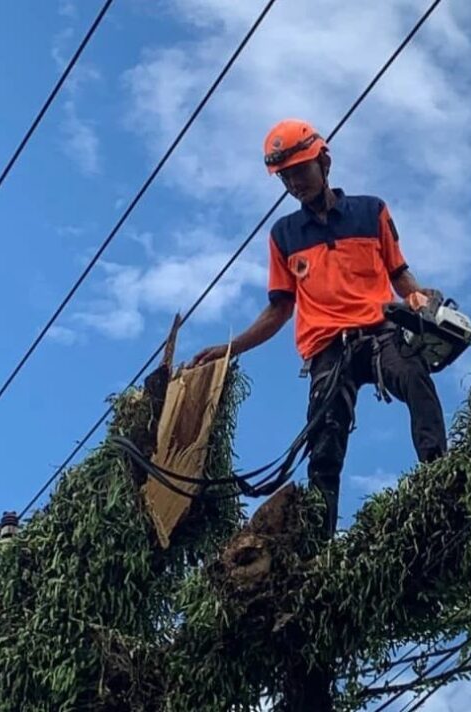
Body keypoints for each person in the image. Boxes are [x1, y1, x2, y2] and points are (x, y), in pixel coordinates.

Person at [190, 118, 447, 538]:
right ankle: (319, 546)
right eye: (285, 177)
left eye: (300, 171)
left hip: (378, 331)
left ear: (323, 162)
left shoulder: (371, 211)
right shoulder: (284, 235)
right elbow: (278, 310)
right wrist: (229, 348)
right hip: (328, 349)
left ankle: (442, 478)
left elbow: (400, 274)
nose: (294, 183)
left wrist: (420, 299)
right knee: (324, 445)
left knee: (415, 377)